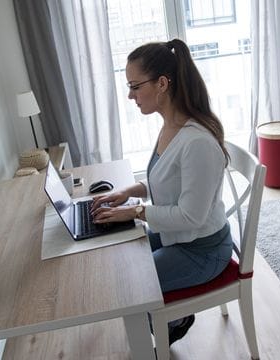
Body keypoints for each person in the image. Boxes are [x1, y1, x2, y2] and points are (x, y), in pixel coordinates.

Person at [90, 38, 233, 345]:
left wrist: (136, 211)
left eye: (135, 86)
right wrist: (128, 192)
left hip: (203, 250)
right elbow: (166, 182)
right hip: (180, 237)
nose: (130, 95)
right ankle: (162, 319)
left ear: (162, 84)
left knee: (131, 285)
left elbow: (190, 215)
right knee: (122, 254)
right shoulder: (170, 125)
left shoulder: (196, 142)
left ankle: (172, 323)